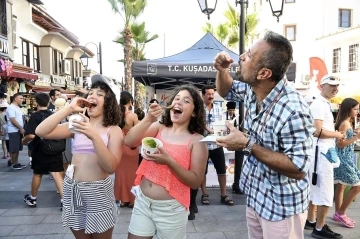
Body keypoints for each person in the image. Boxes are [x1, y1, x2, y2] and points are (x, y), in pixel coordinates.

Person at [214, 31, 314, 239]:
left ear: (264, 73)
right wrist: (222, 70)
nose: (241, 56)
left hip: (281, 207)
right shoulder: (254, 90)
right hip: (256, 196)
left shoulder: (294, 109)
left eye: (249, 55)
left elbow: (298, 168)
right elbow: (226, 90)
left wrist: (247, 144)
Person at [36, 74, 123, 239]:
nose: (92, 96)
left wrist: (94, 136)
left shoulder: (114, 130)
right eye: (91, 92)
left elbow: (111, 167)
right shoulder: (77, 124)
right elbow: (42, 131)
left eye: (100, 94)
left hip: (98, 191)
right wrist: (68, 109)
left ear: (110, 102)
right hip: (72, 188)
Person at [124, 85, 208, 239]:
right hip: (143, 202)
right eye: (176, 98)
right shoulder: (159, 127)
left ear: (195, 112)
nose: (179, 102)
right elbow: (129, 141)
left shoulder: (197, 141)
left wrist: (169, 161)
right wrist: (149, 119)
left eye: (186, 101)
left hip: (171, 210)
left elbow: (195, 181)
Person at [306, 75, 345, 239]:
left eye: (337, 86)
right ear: (322, 86)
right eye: (332, 85)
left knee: (316, 189)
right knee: (325, 191)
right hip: (321, 154)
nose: (335, 88)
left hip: (321, 152)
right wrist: (336, 134)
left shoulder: (322, 104)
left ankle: (311, 220)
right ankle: (320, 228)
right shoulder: (319, 104)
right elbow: (317, 130)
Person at [22, 93, 64, 209]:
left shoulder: (34, 116)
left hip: (40, 149)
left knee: (37, 173)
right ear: (49, 103)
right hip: (55, 148)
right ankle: (64, 201)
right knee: (56, 173)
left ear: (36, 103)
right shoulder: (54, 115)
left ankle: (33, 198)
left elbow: (30, 135)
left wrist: (23, 141)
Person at [198, 85, 234, 209]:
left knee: (222, 171)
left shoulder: (219, 109)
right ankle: (204, 194)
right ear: (203, 95)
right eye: (208, 94)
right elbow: (197, 124)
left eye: (212, 94)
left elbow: (223, 125)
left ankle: (224, 195)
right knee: (203, 171)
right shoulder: (198, 109)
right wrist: (208, 129)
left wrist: (224, 130)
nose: (211, 96)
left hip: (216, 144)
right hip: (202, 144)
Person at [333, 98, 360, 228]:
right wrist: (356, 137)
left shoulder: (346, 122)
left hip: (345, 158)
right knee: (357, 186)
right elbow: (340, 143)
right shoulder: (344, 123)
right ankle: (341, 213)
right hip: (344, 158)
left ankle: (338, 213)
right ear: (348, 109)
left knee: (341, 186)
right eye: (355, 109)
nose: (357, 111)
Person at [114, 91, 139, 208]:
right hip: (131, 148)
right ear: (130, 101)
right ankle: (132, 200)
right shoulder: (133, 116)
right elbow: (139, 132)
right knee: (132, 174)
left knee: (121, 174)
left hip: (119, 147)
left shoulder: (116, 114)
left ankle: (123, 200)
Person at [6, 93, 26, 170]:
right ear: (15, 99)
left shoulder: (17, 107)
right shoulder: (11, 108)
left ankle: (14, 161)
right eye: (21, 98)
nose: (22, 100)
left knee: (17, 148)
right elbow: (12, 119)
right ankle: (15, 163)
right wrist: (20, 128)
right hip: (14, 130)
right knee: (14, 148)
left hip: (17, 130)